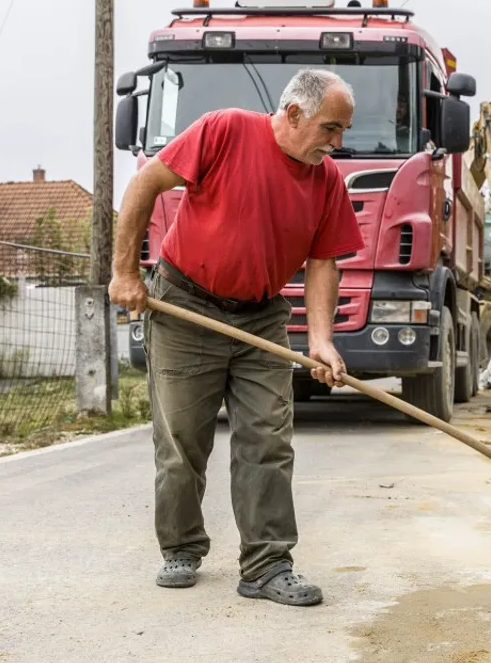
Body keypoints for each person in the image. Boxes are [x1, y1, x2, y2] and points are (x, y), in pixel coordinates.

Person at [108, 68, 365, 607]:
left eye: (342, 131)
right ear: (294, 114)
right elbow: (144, 186)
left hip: (262, 318)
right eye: (331, 129)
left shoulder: (326, 180)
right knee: (182, 441)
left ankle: (268, 564)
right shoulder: (224, 130)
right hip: (184, 308)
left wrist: (321, 339)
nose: (338, 143)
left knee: (268, 440)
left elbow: (324, 261)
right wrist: (125, 272)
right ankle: (180, 547)